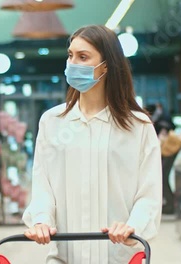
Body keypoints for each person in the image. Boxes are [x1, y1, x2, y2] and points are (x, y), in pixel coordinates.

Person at [22, 25, 162, 264]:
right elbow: (43, 184)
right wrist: (42, 220)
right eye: (70, 55)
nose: (72, 63)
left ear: (106, 66)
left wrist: (132, 227)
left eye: (83, 57)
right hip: (65, 256)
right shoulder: (53, 122)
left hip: (120, 255)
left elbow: (149, 194)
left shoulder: (138, 126)